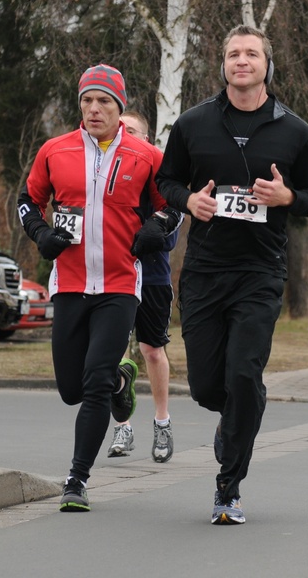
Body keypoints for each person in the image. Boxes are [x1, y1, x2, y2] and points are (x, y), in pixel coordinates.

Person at [156, 24, 308, 525]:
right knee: (210, 388)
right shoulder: (193, 124)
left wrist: (288, 197)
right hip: (205, 271)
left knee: (244, 374)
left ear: (266, 65)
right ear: (223, 64)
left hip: (259, 270)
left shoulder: (295, 131)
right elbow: (166, 180)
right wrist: (189, 199)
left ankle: (227, 488)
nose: (241, 61)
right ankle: (237, 414)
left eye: (251, 54)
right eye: (233, 54)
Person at [18, 65, 180, 512]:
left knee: (90, 388)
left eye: (103, 101)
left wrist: (155, 228)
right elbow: (27, 200)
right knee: (72, 388)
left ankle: (76, 480)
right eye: (87, 100)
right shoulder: (55, 150)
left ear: (119, 106)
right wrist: (39, 231)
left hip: (120, 286)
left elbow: (173, 207)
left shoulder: (145, 156)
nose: (93, 109)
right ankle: (119, 381)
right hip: (69, 283)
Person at [107, 111, 182, 463]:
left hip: (151, 278)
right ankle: (122, 425)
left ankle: (162, 423)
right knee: (110, 354)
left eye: (132, 130)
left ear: (146, 141)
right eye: (120, 129)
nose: (125, 135)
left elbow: (169, 236)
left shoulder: (160, 178)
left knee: (152, 350)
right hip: (113, 277)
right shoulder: (106, 177)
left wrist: (144, 232)